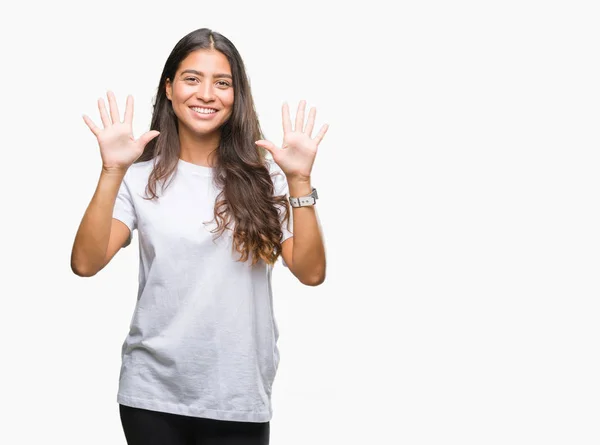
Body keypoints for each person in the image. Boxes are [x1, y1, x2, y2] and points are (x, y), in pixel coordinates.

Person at [70, 27, 328, 445]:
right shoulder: (138, 179)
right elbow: (85, 262)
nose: (207, 93)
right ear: (169, 89)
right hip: (152, 394)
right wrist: (111, 172)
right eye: (192, 78)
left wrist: (299, 180)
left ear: (236, 95)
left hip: (238, 393)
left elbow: (311, 271)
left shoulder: (269, 177)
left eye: (222, 82)